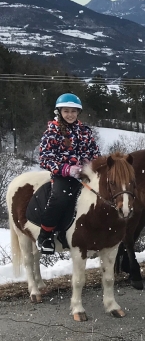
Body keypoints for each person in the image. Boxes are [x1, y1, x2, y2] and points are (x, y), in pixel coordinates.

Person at [37, 93, 101, 254]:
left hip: (84, 174)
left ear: (78, 112)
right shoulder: (52, 132)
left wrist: (90, 163)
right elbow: (45, 158)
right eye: (66, 111)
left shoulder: (85, 131)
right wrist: (66, 169)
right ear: (59, 112)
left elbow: (95, 153)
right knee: (61, 198)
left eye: (73, 111)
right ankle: (45, 235)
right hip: (63, 176)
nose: (70, 115)